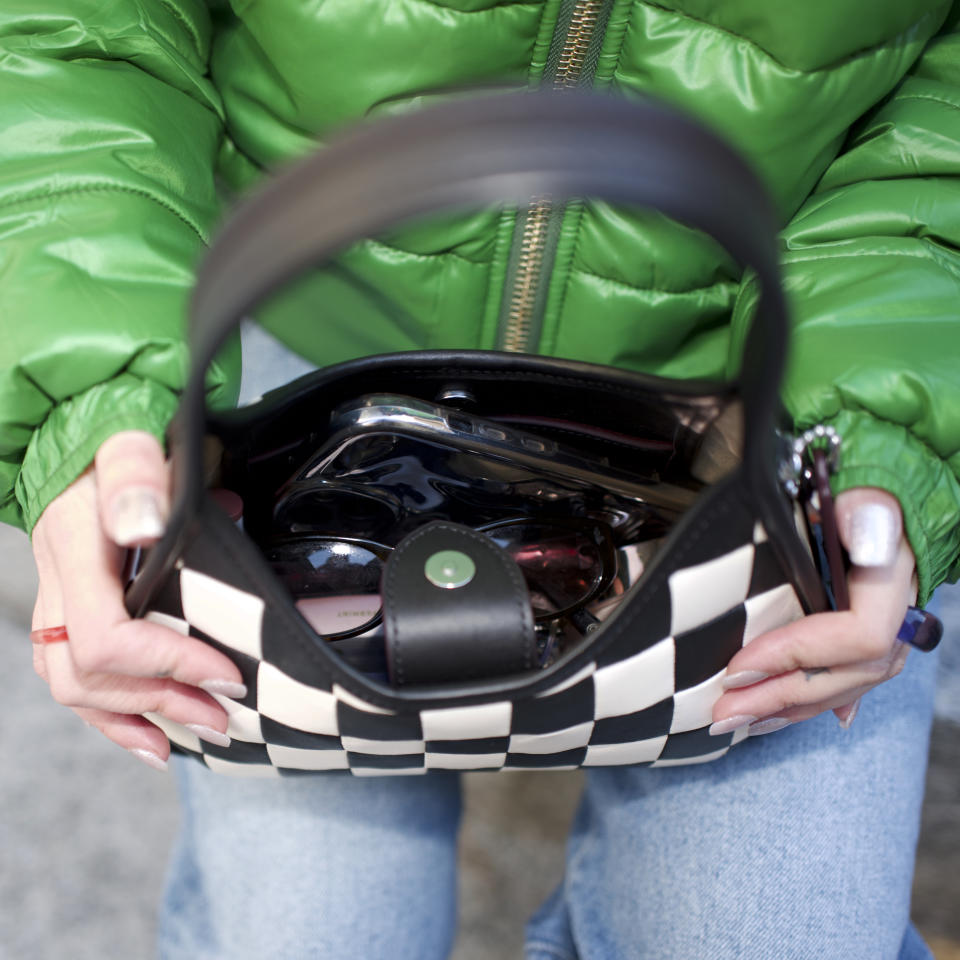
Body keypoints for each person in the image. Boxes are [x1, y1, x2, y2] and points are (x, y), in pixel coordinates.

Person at [3, 2, 959, 957]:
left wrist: (876, 432)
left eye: (568, 578)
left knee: (780, 938)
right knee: (302, 935)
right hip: (292, 339)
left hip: (765, 373)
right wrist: (96, 398)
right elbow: (69, 33)